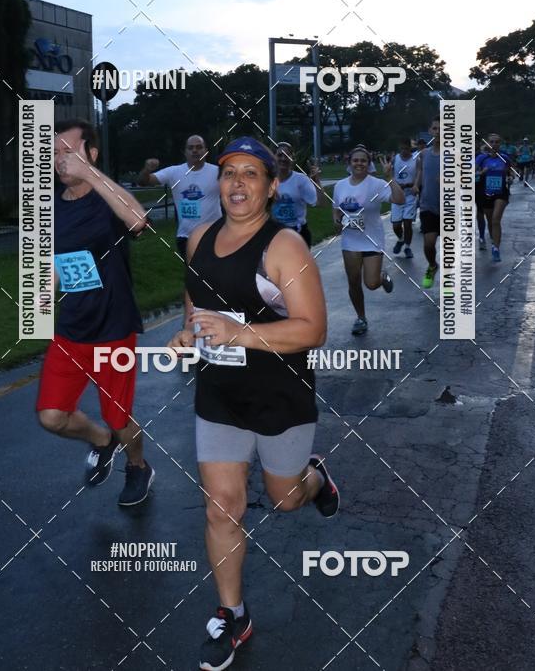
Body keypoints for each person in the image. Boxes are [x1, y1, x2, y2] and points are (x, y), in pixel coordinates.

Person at [168, 135, 338, 671]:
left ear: (270, 186)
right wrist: (186, 335)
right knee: (222, 505)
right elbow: (197, 305)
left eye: (250, 174)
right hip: (219, 393)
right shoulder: (198, 237)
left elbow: (314, 330)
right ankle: (233, 612)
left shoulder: (283, 245)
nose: (236, 183)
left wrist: (239, 335)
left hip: (280, 394)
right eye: (228, 173)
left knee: (285, 500)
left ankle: (315, 478)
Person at [37, 119, 154, 507]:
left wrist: (91, 175)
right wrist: (44, 294)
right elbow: (57, 261)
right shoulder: (50, 205)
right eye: (54, 153)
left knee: (120, 419)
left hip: (113, 330)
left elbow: (138, 220)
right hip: (71, 331)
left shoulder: (107, 201)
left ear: (91, 154)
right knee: (52, 417)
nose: (59, 161)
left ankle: (137, 466)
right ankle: (101, 442)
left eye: (68, 152)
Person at [332, 146, 405, 336]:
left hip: (372, 240)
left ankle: (382, 277)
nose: (359, 164)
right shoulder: (341, 185)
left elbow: (399, 200)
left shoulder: (377, 184)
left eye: (363, 160)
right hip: (350, 241)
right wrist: (336, 219)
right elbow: (336, 209)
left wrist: (390, 177)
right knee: (353, 282)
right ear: (349, 162)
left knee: (371, 284)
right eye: (356, 160)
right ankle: (361, 318)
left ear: (369, 163)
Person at [140, 134, 221, 260]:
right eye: (191, 148)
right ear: (185, 152)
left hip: (215, 236)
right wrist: (146, 170)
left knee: (213, 275)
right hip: (186, 237)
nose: (195, 150)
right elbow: (144, 181)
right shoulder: (174, 172)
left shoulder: (218, 172)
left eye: (199, 147)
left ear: (205, 151)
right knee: (196, 274)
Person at [271, 141, 325, 246]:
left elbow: (321, 203)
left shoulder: (300, 180)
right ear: (273, 157)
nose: (283, 158)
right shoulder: (267, 180)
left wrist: (317, 183)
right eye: (279, 155)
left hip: (298, 233)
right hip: (275, 233)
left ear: (292, 158)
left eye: (287, 155)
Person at [413, 117, 441, 288]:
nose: (438, 132)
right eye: (435, 128)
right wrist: (416, 184)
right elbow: (420, 171)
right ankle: (432, 265)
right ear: (430, 131)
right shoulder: (424, 154)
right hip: (427, 205)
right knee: (429, 243)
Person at [476, 133, 512, 262]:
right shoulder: (481, 158)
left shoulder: (505, 158)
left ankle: (496, 248)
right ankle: (493, 241)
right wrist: (481, 172)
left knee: (496, 220)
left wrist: (509, 177)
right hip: (486, 193)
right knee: (490, 220)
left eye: (497, 142)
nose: (494, 144)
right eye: (492, 142)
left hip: (501, 193)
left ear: (500, 144)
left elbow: (510, 172)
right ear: (487, 144)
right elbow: (471, 174)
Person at [390, 139, 417, 258]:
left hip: (410, 195)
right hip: (397, 195)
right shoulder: (396, 158)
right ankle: (401, 239)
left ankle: (407, 247)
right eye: (401, 149)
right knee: (396, 225)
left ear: (410, 148)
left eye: (406, 149)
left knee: (407, 223)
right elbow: (389, 174)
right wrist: (393, 184)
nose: (404, 151)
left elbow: (419, 175)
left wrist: (412, 185)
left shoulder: (416, 159)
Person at [475, 139, 488, 250]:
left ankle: (482, 235)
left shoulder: (484, 157)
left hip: (480, 187)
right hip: (464, 187)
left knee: (480, 213)